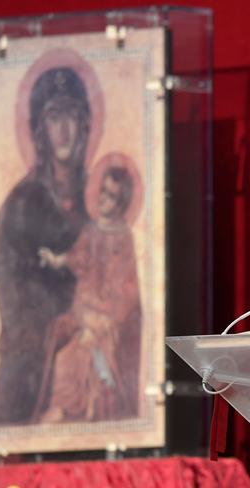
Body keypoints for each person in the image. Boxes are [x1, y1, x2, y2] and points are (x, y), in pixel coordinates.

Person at [0, 67, 91, 425]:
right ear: (40, 129)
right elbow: (12, 290)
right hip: (33, 360)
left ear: (85, 124)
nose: (64, 129)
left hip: (88, 342)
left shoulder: (100, 194)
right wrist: (59, 317)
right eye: (54, 117)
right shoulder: (21, 204)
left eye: (72, 116)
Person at [33, 164, 142, 422]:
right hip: (83, 310)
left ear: (122, 203)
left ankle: (68, 408)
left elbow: (127, 290)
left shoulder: (124, 237)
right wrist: (56, 259)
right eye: (102, 191)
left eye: (112, 196)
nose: (104, 199)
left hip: (108, 319)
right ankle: (62, 406)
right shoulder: (91, 230)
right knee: (57, 341)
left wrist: (103, 321)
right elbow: (76, 257)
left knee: (72, 357)